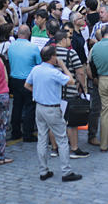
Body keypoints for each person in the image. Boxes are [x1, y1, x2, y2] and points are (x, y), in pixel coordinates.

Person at [25, 45, 83, 182]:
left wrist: (38, 92)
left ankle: (43, 170)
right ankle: (66, 172)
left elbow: (27, 85)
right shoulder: (54, 72)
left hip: (39, 107)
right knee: (62, 140)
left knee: (42, 138)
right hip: (52, 108)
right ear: (52, 58)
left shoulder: (36, 69)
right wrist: (63, 66)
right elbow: (71, 81)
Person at [53, 31, 90, 159]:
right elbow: (80, 72)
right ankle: (74, 149)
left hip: (54, 93)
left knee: (54, 122)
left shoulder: (50, 53)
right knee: (72, 122)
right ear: (63, 40)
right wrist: (83, 86)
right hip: (69, 92)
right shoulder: (71, 53)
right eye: (69, 38)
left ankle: (54, 148)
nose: (70, 40)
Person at [8, 25, 41, 142]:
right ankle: (28, 133)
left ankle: (15, 131)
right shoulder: (33, 47)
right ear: (29, 33)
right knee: (30, 107)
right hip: (28, 81)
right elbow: (39, 63)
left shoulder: (11, 46)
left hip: (14, 79)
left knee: (17, 105)